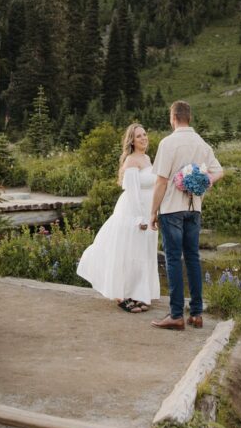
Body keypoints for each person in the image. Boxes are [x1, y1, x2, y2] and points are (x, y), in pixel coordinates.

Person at [149, 101, 224, 330]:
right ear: (189, 118)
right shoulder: (201, 143)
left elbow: (161, 181)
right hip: (194, 209)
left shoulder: (168, 143)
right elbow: (219, 171)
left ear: (173, 118)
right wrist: (202, 181)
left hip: (172, 209)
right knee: (192, 258)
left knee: (173, 260)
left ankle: (176, 315)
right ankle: (197, 314)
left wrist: (153, 211)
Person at [77, 122, 160, 313]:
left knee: (142, 253)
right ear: (132, 140)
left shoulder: (147, 158)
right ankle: (121, 295)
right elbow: (132, 192)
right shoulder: (131, 161)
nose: (144, 138)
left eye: (145, 134)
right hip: (132, 212)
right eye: (139, 136)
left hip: (147, 211)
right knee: (127, 252)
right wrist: (139, 218)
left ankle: (140, 293)